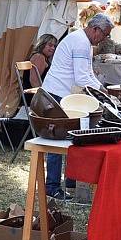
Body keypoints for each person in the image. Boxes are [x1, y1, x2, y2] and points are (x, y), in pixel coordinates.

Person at [41, 14, 113, 199]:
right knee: (57, 140)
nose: (105, 38)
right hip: (57, 94)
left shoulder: (84, 42)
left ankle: (71, 180)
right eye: (105, 34)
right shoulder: (81, 42)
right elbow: (82, 78)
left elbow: (87, 74)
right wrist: (102, 92)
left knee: (72, 137)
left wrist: (101, 89)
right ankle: (52, 186)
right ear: (95, 29)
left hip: (62, 94)